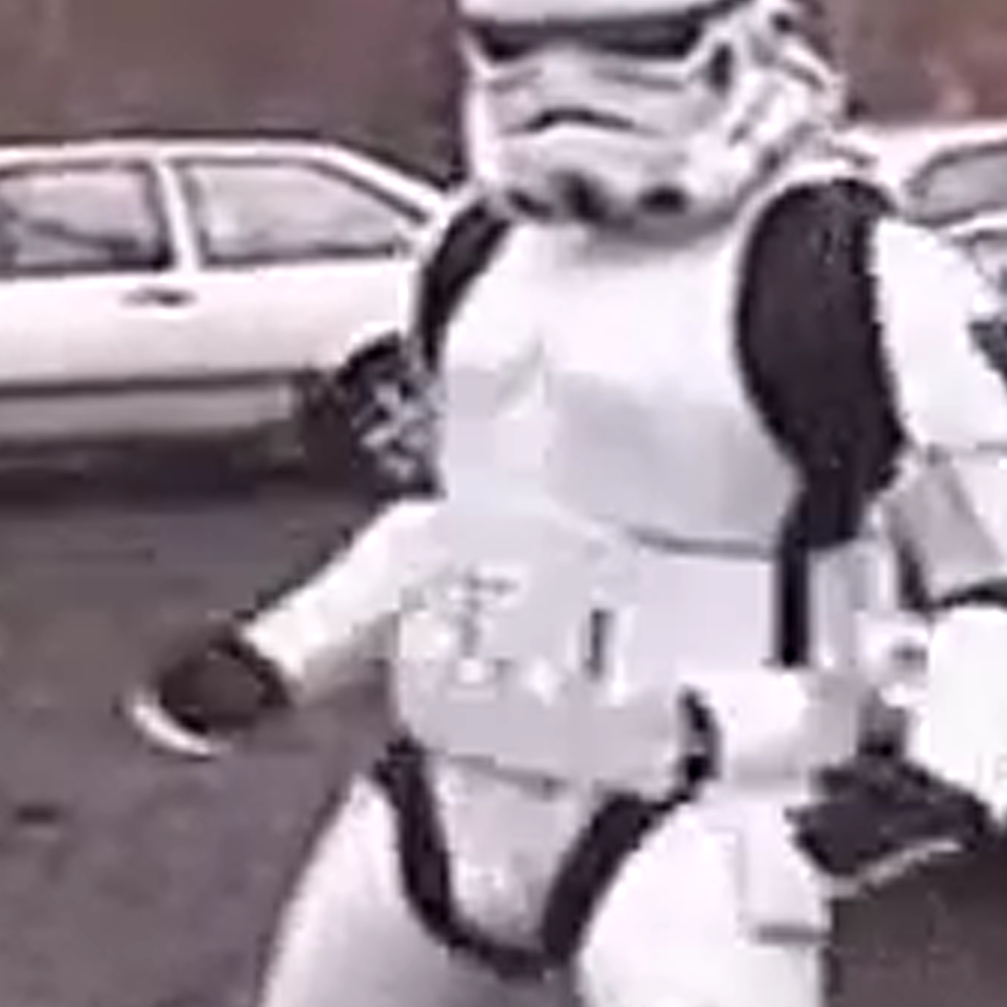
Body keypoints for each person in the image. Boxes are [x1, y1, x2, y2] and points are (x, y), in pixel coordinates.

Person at [128, 1, 1007, 1005]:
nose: (561, 82)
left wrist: (955, 767)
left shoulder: (853, 269)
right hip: (446, 780)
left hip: (709, 802)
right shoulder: (473, 251)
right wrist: (282, 652)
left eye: (628, 42)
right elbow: (455, 515)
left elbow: (990, 554)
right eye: (517, 45)